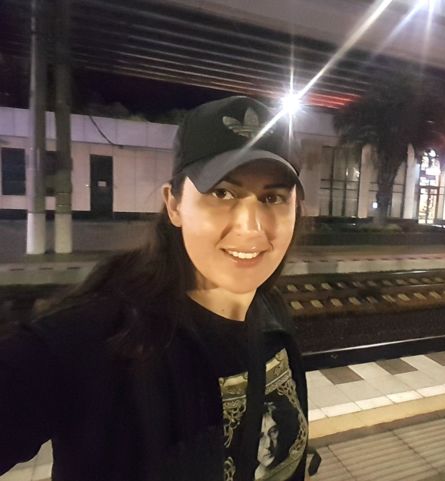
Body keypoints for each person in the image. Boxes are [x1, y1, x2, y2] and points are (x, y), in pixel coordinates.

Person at [0, 96, 318, 481]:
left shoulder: (271, 312)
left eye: (272, 197)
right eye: (222, 193)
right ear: (174, 205)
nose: (251, 227)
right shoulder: (91, 342)